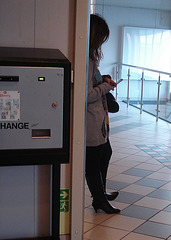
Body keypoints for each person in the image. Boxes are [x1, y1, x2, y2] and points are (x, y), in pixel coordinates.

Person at [86, 14, 120, 214]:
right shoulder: (86, 61)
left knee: (105, 153)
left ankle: (100, 193)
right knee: (92, 163)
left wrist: (102, 80)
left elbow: (92, 84)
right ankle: (99, 200)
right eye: (101, 37)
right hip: (91, 121)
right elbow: (87, 94)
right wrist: (105, 86)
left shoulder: (90, 59)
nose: (101, 43)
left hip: (98, 120)